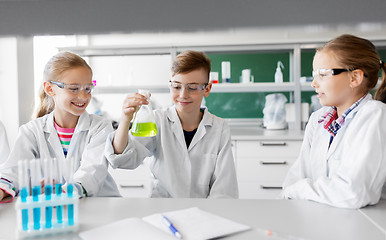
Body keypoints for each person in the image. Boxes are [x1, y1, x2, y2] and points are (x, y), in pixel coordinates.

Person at [105, 50, 238, 198]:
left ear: (207, 89)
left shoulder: (219, 128)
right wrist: (125, 119)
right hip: (163, 210)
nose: (183, 94)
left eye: (192, 87)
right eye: (176, 86)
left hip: (202, 212)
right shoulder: (157, 120)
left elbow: (224, 189)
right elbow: (122, 160)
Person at [281, 34, 386, 209]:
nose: (314, 83)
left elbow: (352, 192)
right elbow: (295, 178)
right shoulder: (318, 120)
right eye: (314, 75)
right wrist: (292, 192)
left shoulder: (375, 115)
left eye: (322, 74)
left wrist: (298, 190)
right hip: (318, 219)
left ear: (355, 78)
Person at [0, 51, 120, 203]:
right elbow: (13, 171)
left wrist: (63, 191)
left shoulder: (100, 126)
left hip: (98, 204)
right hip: (57, 209)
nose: (83, 97)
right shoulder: (32, 131)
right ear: (50, 89)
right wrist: (2, 189)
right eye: (74, 88)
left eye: (88, 89)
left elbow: (92, 173)